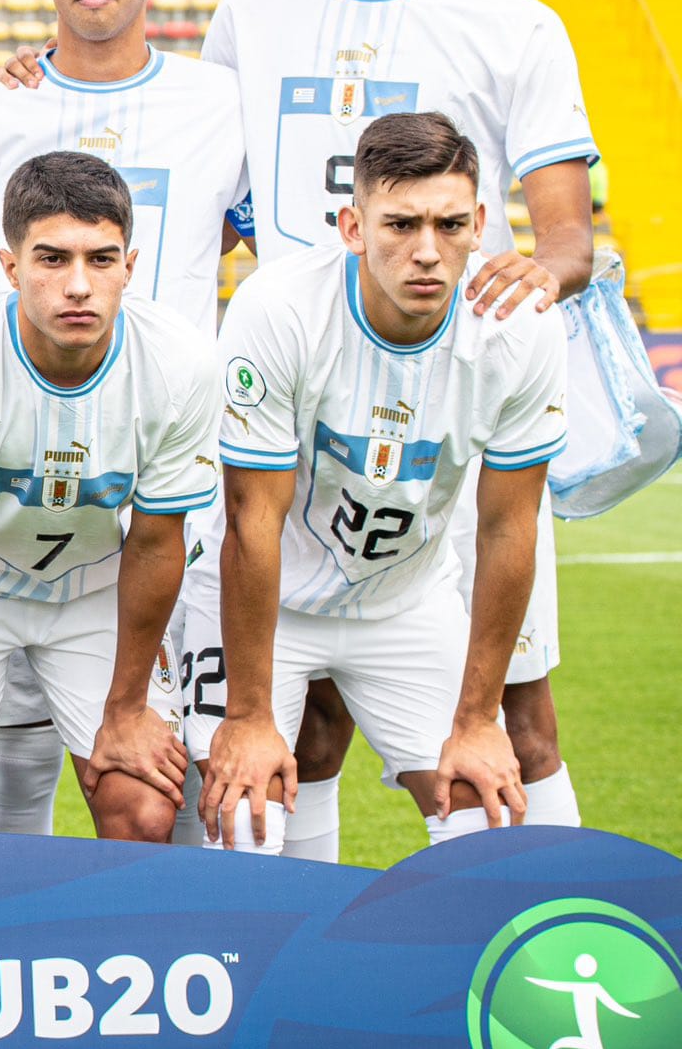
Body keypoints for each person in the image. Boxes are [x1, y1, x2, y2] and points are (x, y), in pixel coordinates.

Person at [0, 0, 598, 860]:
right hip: (294, 395)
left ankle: (544, 949)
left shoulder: (510, 23)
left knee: (518, 714)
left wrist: (539, 277)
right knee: (296, 724)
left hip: (448, 401)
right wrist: (30, 90)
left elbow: (564, 228)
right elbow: (190, 163)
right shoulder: (251, 18)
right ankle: (294, 951)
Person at [194, 111, 565, 853]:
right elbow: (252, 524)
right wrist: (250, 714)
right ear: (353, 226)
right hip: (272, 600)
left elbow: (507, 529)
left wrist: (477, 719)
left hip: (405, 601)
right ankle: (289, 961)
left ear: (481, 225)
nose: (427, 252)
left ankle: (489, 970)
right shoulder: (280, 309)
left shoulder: (520, 328)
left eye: (451, 225)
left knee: (486, 809)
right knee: (242, 813)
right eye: (399, 225)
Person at [0, 0, 247, 839]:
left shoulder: (220, 103)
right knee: (5, 757)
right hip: (11, 486)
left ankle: (174, 958)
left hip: (169, 480)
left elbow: (253, 235)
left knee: (164, 760)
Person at [0, 153, 215, 839]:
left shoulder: (180, 362)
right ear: (10, 269)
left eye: (101, 260)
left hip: (91, 591)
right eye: (52, 260)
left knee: (146, 806)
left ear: (130, 265)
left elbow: (158, 540)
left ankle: (117, 946)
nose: (78, 286)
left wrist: (127, 708)